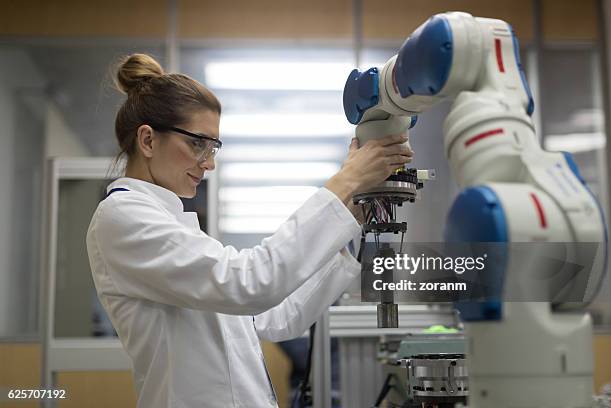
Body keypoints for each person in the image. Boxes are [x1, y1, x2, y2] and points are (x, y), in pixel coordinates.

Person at [86, 53, 413, 408]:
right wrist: (346, 180)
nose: (209, 163)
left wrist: (352, 215)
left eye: (213, 148)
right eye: (198, 143)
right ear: (148, 141)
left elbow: (273, 317)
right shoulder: (123, 217)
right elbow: (249, 283)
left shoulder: (175, 225)